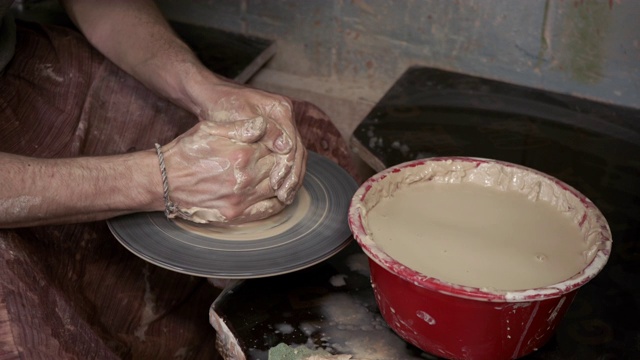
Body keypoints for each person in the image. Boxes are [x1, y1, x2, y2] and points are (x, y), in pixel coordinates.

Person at [0, 0, 357, 358]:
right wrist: (156, 179)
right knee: (28, 336)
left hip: (19, 63)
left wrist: (203, 89)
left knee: (298, 132)